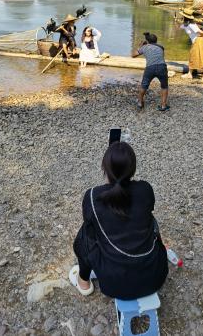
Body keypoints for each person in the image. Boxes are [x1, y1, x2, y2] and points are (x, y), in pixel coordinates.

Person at [69, 142, 169, 299]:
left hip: (114, 284)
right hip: (155, 277)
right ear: (133, 169)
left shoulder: (92, 196)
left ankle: (83, 282)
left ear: (105, 169)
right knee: (151, 221)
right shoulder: (145, 189)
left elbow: (91, 228)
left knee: (85, 234)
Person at [132, 32, 169, 111]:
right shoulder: (161, 47)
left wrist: (140, 46)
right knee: (164, 86)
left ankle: (140, 102)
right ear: (156, 40)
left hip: (150, 68)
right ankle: (163, 105)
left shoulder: (144, 47)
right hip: (162, 67)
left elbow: (133, 55)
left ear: (147, 41)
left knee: (144, 85)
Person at [180, 17, 203, 82]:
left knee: (200, 57)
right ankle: (189, 74)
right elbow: (180, 26)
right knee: (192, 56)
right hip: (196, 41)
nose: (182, 19)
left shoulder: (192, 25)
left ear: (186, 19)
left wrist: (202, 37)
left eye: (183, 18)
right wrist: (176, 20)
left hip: (198, 41)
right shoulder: (186, 25)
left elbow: (201, 32)